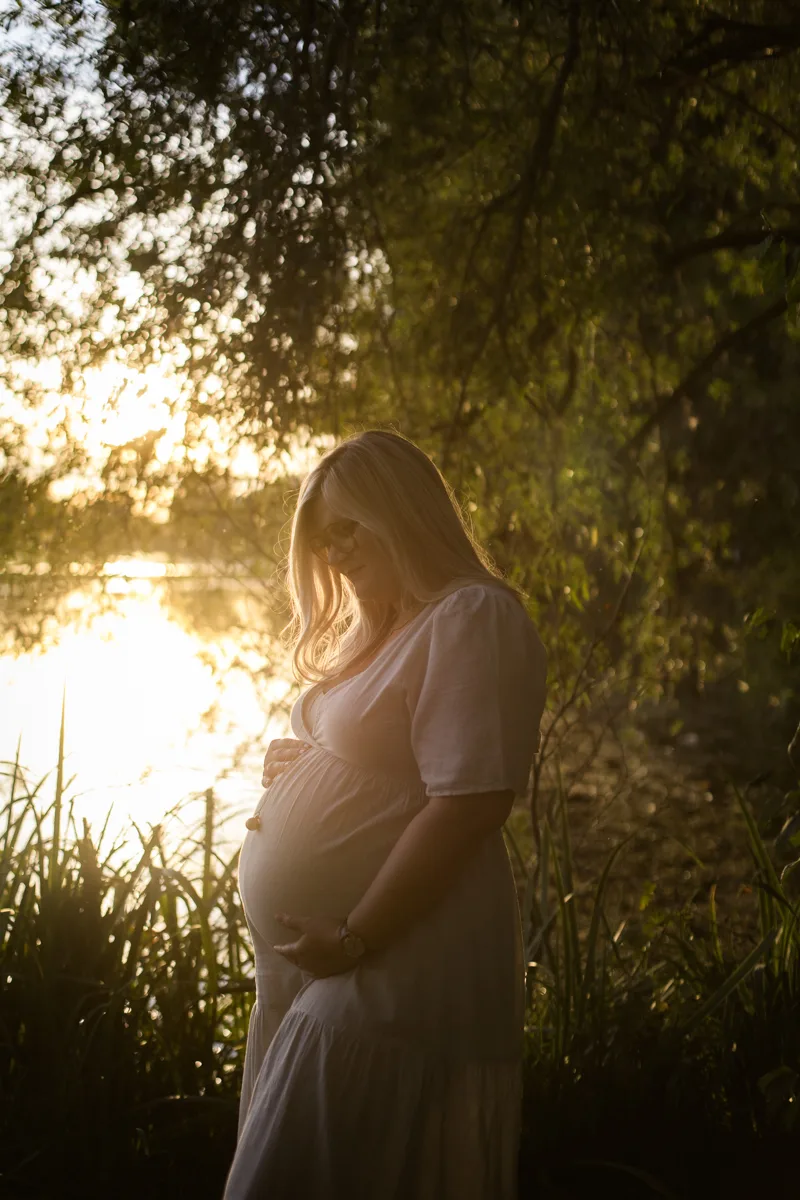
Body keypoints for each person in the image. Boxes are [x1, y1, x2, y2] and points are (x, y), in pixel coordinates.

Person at [223, 428, 547, 1199]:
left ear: (402, 512)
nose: (333, 551)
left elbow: (470, 804)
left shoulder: (470, 615)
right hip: (319, 966)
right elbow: (388, 757)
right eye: (320, 537)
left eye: (348, 527)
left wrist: (355, 935)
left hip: (395, 961)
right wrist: (305, 762)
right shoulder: (376, 628)